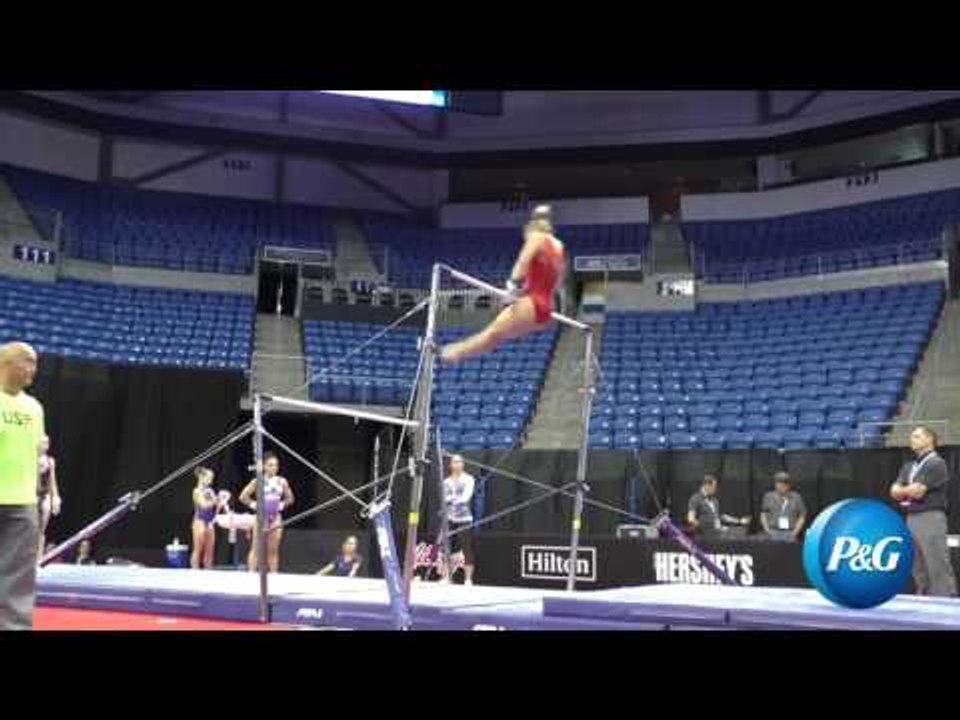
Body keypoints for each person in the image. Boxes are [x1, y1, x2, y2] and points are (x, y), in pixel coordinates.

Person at [441, 205, 566, 363]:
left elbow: (522, 263)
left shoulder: (536, 237)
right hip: (547, 309)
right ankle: (453, 353)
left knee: (491, 334)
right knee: (494, 338)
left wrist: (511, 290)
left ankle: (448, 353)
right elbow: (559, 280)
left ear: (530, 229)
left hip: (532, 303)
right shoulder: (559, 246)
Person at [0, 342, 45, 630]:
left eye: (35, 363)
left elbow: (37, 453)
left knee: (18, 575)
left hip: (22, 501)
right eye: (26, 361)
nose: (33, 369)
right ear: (5, 363)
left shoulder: (34, 407)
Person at [890, 426, 958, 597]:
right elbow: (893, 492)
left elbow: (917, 491)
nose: (911, 439)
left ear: (929, 440)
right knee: (917, 563)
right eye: (912, 436)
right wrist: (906, 490)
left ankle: (945, 599)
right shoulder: (909, 466)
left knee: (936, 560)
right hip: (911, 516)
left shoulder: (936, 463)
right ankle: (924, 597)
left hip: (930, 516)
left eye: (917, 436)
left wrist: (903, 490)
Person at [239, 452, 294, 574]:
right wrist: (255, 506)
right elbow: (243, 496)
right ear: (264, 466)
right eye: (270, 465)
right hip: (261, 517)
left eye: (276, 465)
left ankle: (274, 576)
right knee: (256, 549)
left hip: (275, 517)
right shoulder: (257, 480)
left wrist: (280, 505)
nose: (274, 467)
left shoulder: (282, 481)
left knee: (273, 551)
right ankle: (251, 575)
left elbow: (290, 499)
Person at [441, 454, 476, 585]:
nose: (457, 464)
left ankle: (468, 579)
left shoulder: (469, 479)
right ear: (450, 465)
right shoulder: (446, 482)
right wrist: (451, 500)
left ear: (463, 464)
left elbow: (466, 497)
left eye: (459, 462)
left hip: (464, 518)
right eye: (454, 462)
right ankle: (446, 577)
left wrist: (452, 499)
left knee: (467, 549)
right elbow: (444, 499)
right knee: (446, 548)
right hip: (450, 518)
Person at [686, 475, 750, 539]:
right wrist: (703, 527)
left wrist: (739, 521)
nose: (715, 489)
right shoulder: (695, 498)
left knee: (740, 532)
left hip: (717, 533)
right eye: (714, 486)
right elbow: (691, 518)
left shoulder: (714, 500)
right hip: (705, 535)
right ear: (707, 486)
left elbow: (722, 516)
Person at [759, 471, 807, 542]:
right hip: (773, 531)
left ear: (789, 485)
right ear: (775, 484)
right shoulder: (768, 496)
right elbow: (763, 514)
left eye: (785, 483)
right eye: (779, 483)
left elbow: (802, 516)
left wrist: (795, 532)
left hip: (790, 532)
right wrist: (767, 530)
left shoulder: (796, 497)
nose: (782, 485)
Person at [190, 467, 220, 570]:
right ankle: (195, 572)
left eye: (212, 478)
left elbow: (216, 507)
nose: (211, 480)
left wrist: (220, 502)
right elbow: (203, 505)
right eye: (209, 478)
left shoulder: (210, 491)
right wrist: (217, 500)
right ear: (201, 477)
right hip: (199, 521)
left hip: (209, 521)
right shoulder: (196, 491)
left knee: (209, 550)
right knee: (198, 549)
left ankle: (208, 572)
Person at [37, 434, 62, 558]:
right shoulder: (30, 459)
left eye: (47, 443)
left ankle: (39, 558)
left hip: (44, 495)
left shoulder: (50, 461)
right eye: (43, 442)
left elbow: (53, 481)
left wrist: (56, 498)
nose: (46, 445)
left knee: (41, 529)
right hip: (31, 495)